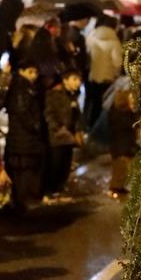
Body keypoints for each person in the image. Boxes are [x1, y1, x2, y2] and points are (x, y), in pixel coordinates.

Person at [4, 52, 48, 213]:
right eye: (30, 72)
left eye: (35, 72)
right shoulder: (21, 88)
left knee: (23, 170)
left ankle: (22, 200)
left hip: (21, 137)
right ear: (21, 71)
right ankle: (22, 200)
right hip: (23, 137)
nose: (34, 76)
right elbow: (23, 111)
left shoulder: (23, 86)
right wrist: (35, 126)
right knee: (23, 170)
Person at [44, 67, 85, 199]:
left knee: (65, 166)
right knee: (55, 165)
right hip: (58, 137)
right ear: (65, 80)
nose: (78, 82)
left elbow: (77, 116)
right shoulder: (54, 94)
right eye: (74, 79)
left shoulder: (73, 95)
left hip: (69, 138)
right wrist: (60, 129)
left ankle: (59, 192)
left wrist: (78, 131)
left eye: (79, 80)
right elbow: (50, 115)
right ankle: (51, 193)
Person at [106, 72, 138, 196]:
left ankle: (120, 187)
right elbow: (123, 127)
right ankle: (115, 188)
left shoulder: (126, 112)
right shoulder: (118, 113)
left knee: (125, 168)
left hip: (126, 145)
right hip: (120, 146)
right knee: (120, 167)